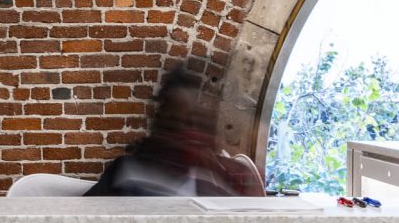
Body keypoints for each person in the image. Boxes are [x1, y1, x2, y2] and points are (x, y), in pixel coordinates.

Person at [84, 62, 266, 197]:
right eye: (174, 123)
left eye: (193, 123)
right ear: (159, 125)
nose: (186, 134)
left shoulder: (215, 183)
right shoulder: (126, 172)